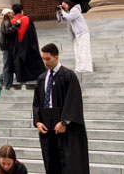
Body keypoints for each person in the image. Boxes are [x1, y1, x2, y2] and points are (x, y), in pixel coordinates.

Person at [33, 43, 89, 174]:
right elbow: (36, 102)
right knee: (52, 162)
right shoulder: (42, 78)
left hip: (65, 130)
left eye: (48, 59)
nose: (45, 62)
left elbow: (74, 101)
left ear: (56, 57)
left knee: (69, 164)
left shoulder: (68, 76)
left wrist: (65, 122)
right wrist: (38, 121)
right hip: (47, 128)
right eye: (43, 58)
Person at [10, 4, 46, 88]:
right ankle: (32, 75)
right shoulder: (28, 19)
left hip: (17, 46)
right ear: (22, 10)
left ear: (14, 11)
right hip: (28, 45)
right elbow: (33, 35)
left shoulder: (12, 22)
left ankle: (21, 76)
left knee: (19, 60)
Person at [56, 0, 93, 72]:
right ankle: (79, 67)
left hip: (83, 33)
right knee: (78, 51)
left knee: (84, 50)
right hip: (76, 34)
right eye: (62, 6)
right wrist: (58, 12)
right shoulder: (68, 12)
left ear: (69, 4)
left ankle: (86, 68)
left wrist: (62, 11)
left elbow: (69, 17)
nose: (63, 7)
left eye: (64, 5)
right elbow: (61, 20)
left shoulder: (75, 10)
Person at [0, 8, 18, 91]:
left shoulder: (6, 22)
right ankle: (7, 85)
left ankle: (3, 79)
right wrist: (16, 25)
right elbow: (7, 31)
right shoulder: (6, 22)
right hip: (7, 47)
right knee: (7, 65)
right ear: (8, 14)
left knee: (9, 65)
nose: (13, 14)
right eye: (11, 13)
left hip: (8, 46)